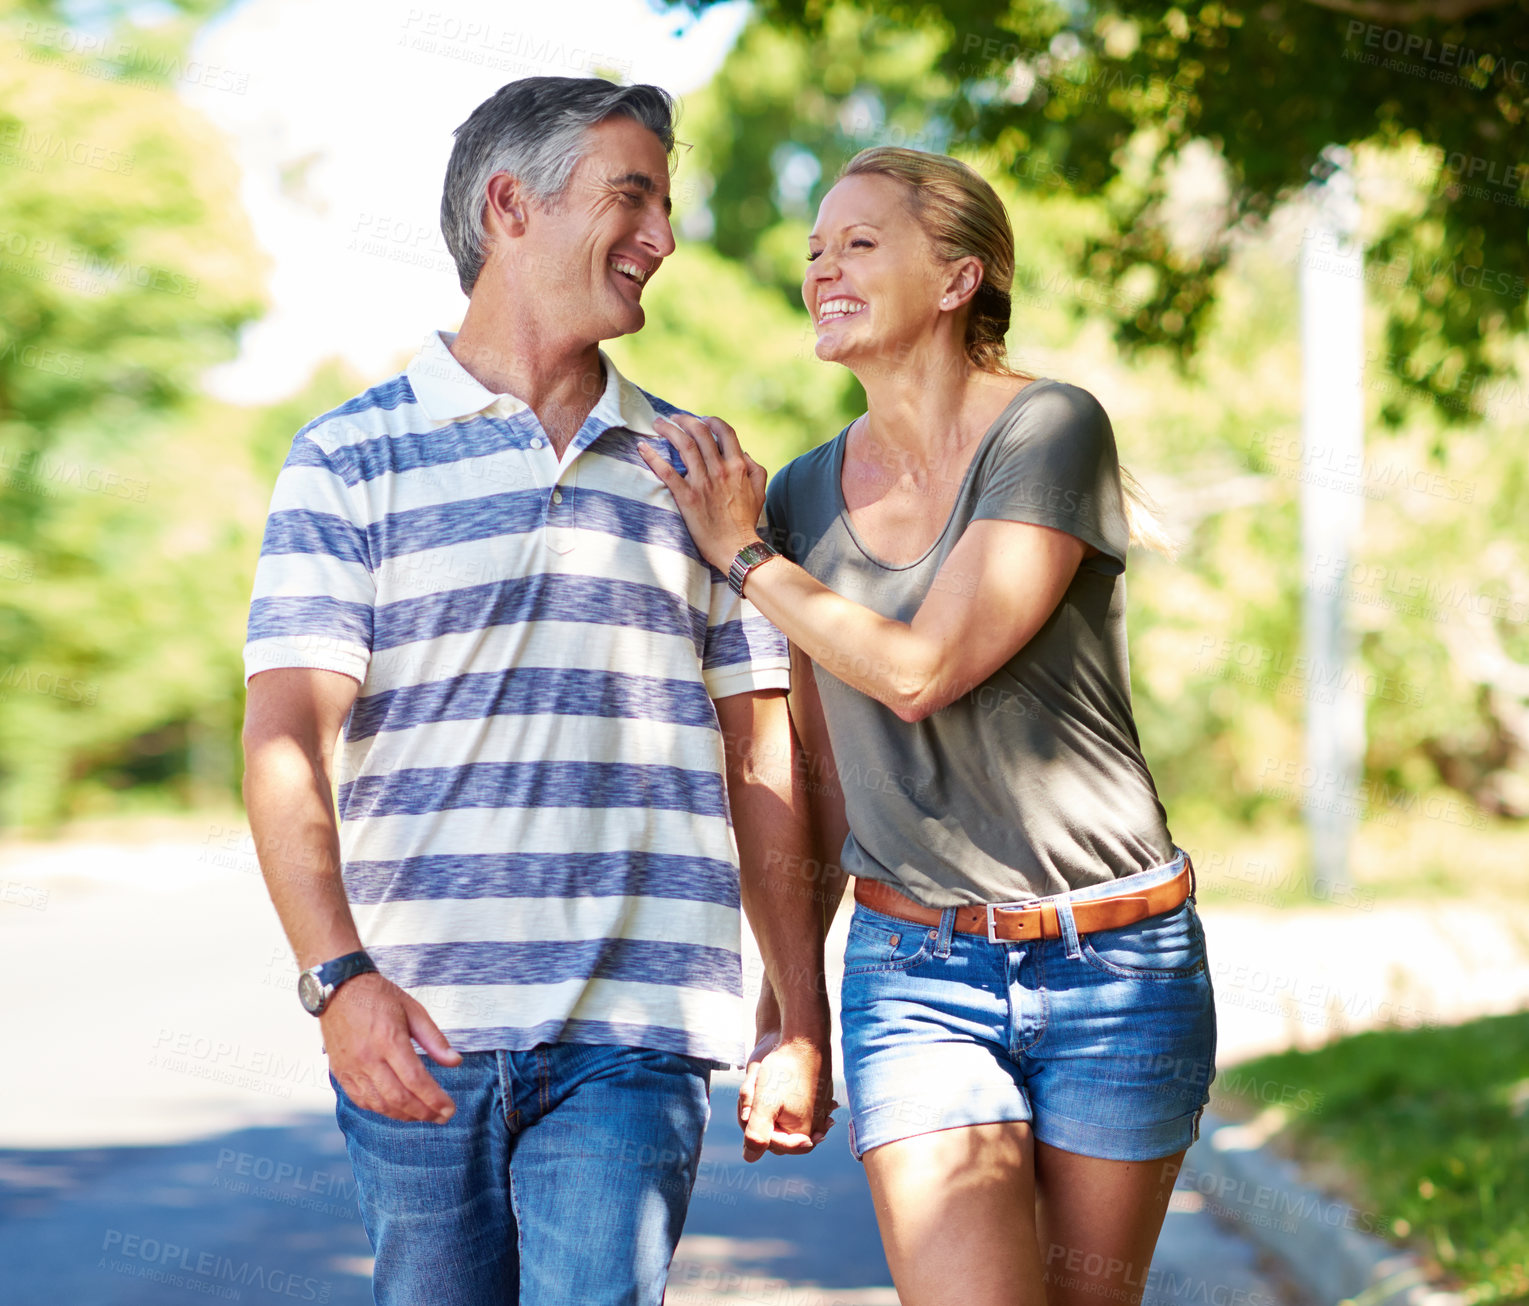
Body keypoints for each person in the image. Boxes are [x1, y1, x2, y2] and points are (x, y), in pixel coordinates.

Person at [240, 76, 833, 1306]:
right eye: (632, 197)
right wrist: (337, 981)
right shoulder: (347, 459)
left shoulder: (701, 474)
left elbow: (763, 760)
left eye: (664, 205)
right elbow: (286, 735)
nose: (662, 240)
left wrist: (796, 1012)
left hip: (637, 1025)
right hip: (418, 1028)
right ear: (510, 204)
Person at [639, 146, 1217, 1306]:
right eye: (813, 249)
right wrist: (790, 1016)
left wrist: (742, 556)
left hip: (1116, 961)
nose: (821, 268)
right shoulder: (800, 495)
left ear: (957, 281)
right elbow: (819, 769)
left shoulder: (1048, 429)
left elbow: (921, 671)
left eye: (858, 243)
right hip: (916, 975)